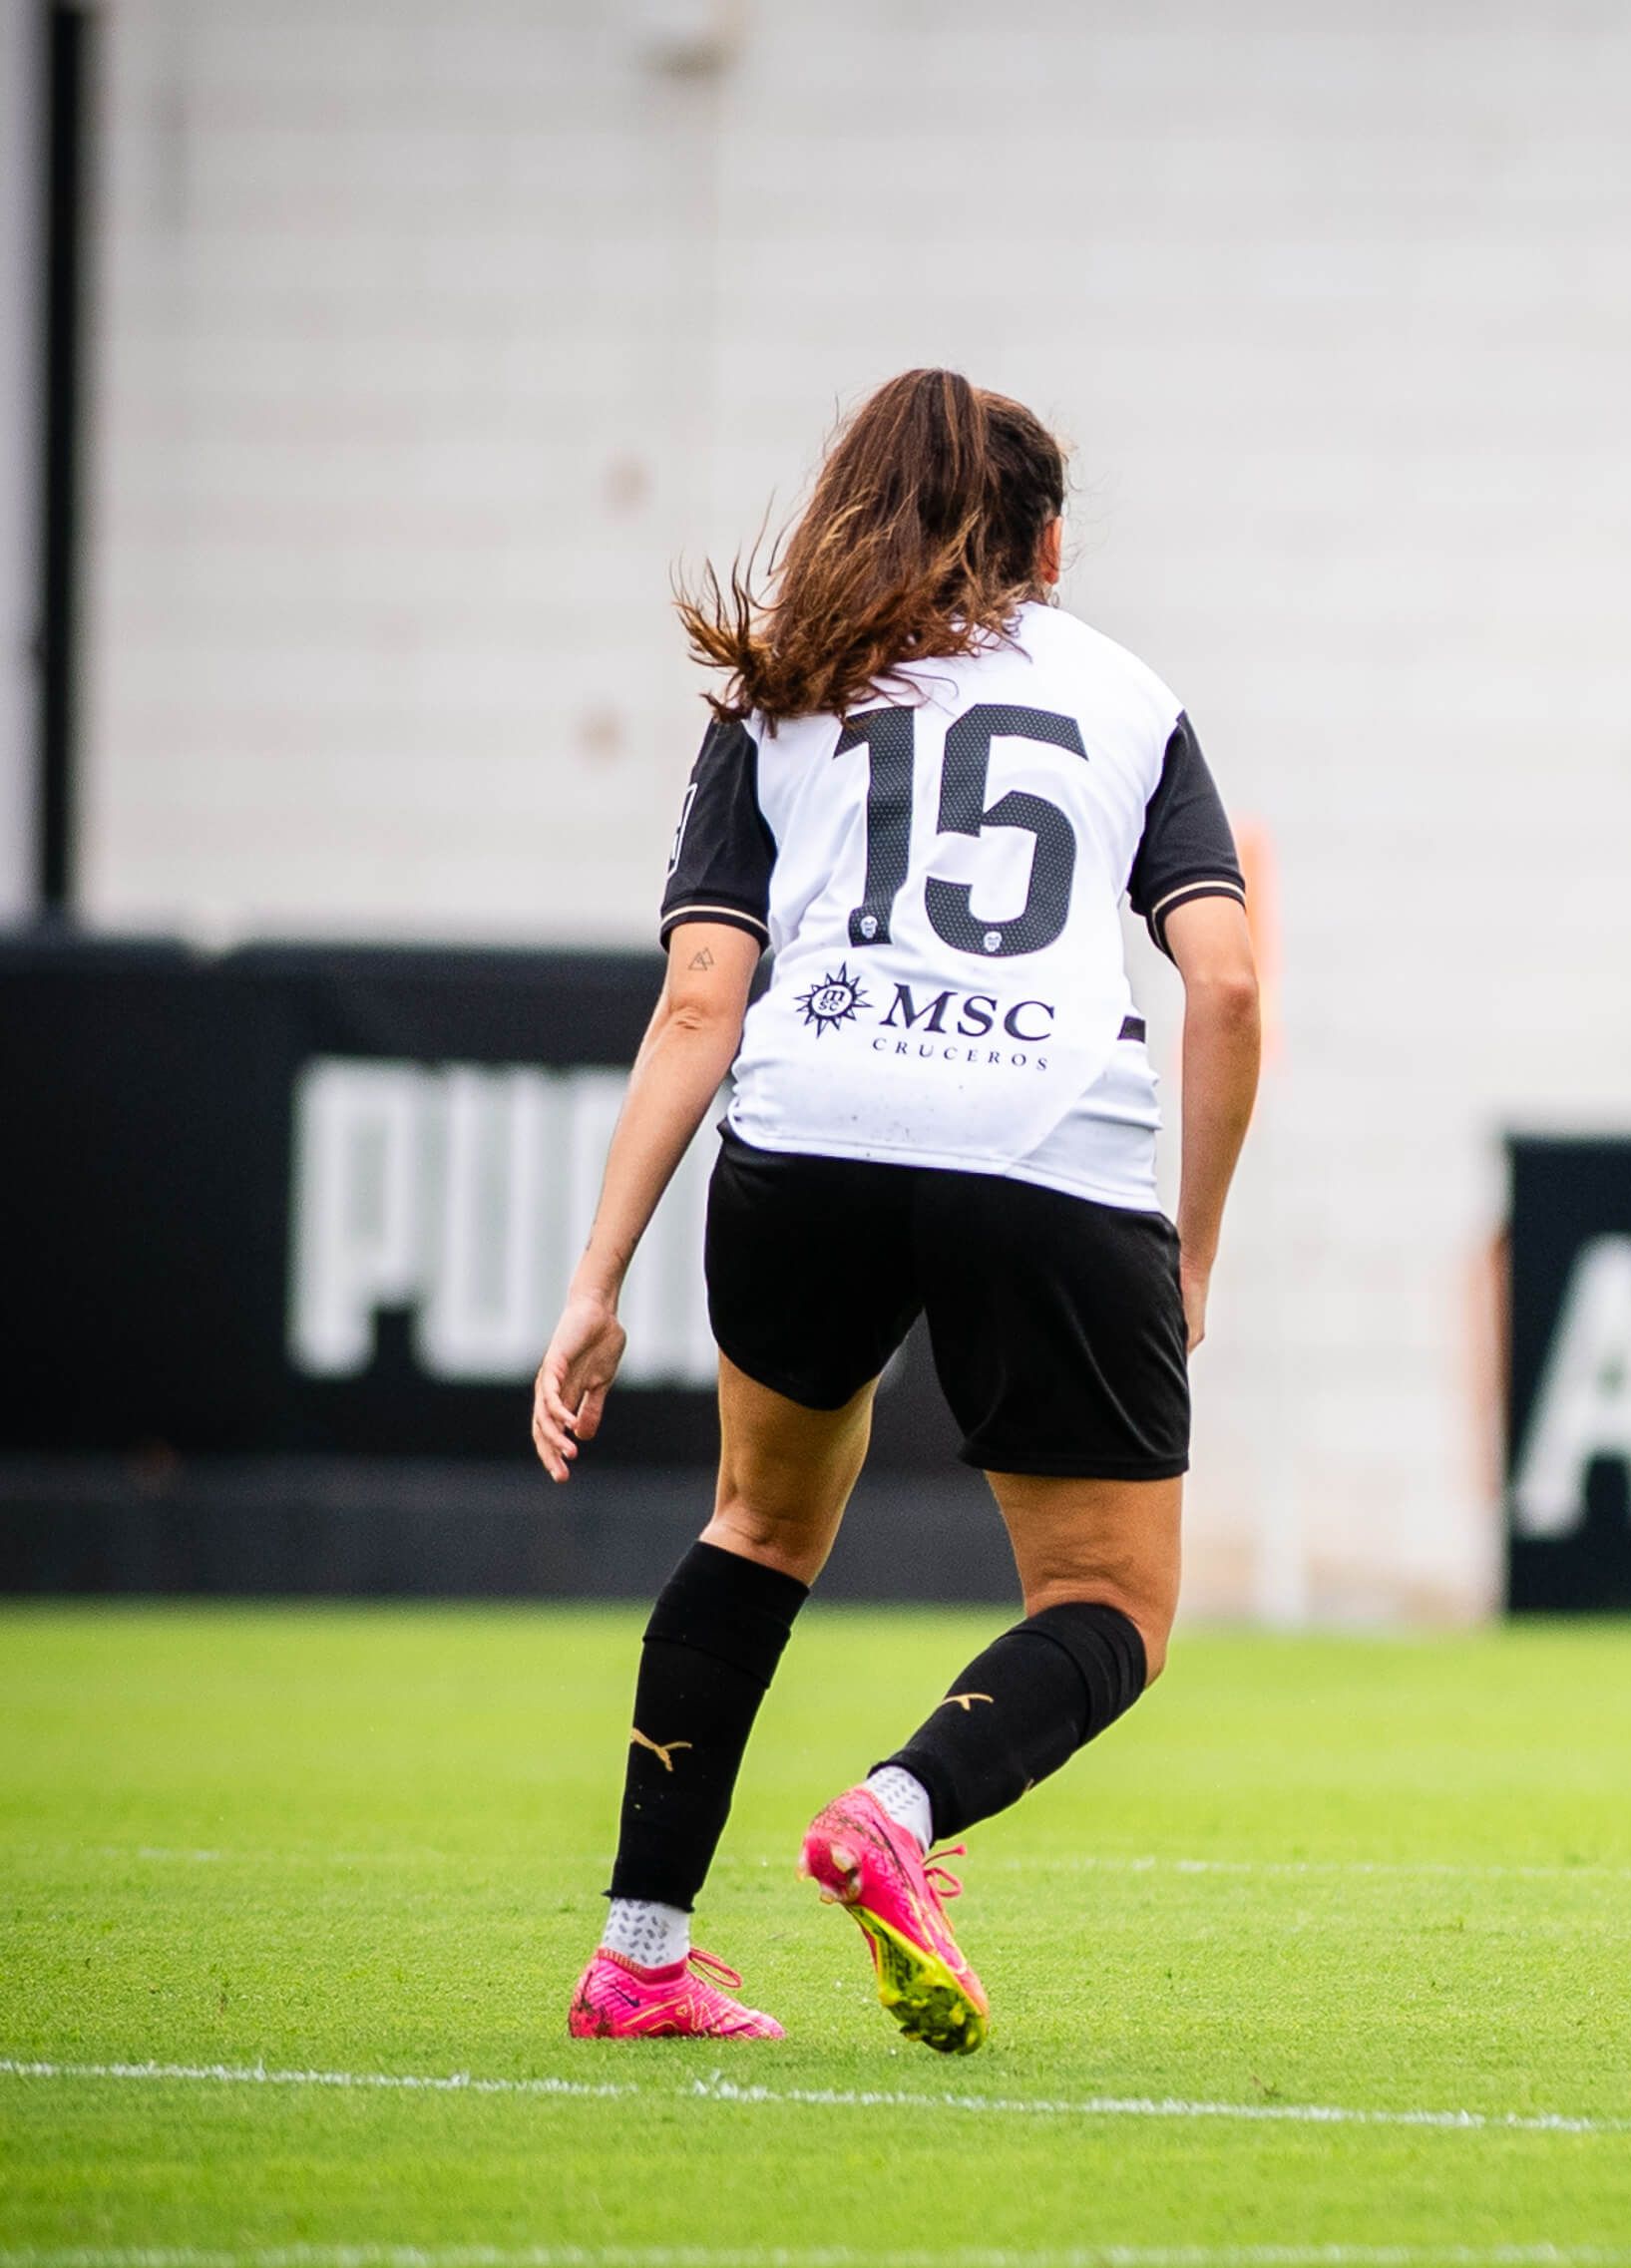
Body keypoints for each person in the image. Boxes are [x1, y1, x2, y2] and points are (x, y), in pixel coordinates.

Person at [534, 369, 1262, 2050]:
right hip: (1043, 1154)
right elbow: (1222, 988)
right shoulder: (1130, 697)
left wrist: (596, 1277)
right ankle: (898, 1814)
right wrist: (1189, 1250)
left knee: (758, 1528)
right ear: (1051, 544)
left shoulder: (775, 696)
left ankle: (641, 1953)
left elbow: (699, 1010)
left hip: (809, 1141)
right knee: (1110, 1602)